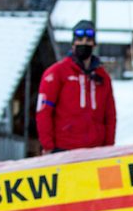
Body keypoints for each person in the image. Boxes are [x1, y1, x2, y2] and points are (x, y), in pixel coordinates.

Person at [36, 20, 116, 153]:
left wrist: (108, 147)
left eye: (88, 40)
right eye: (79, 39)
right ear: (73, 43)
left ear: (94, 44)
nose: (83, 43)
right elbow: (44, 111)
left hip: (95, 150)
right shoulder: (57, 73)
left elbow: (110, 115)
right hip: (64, 149)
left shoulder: (103, 78)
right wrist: (48, 145)